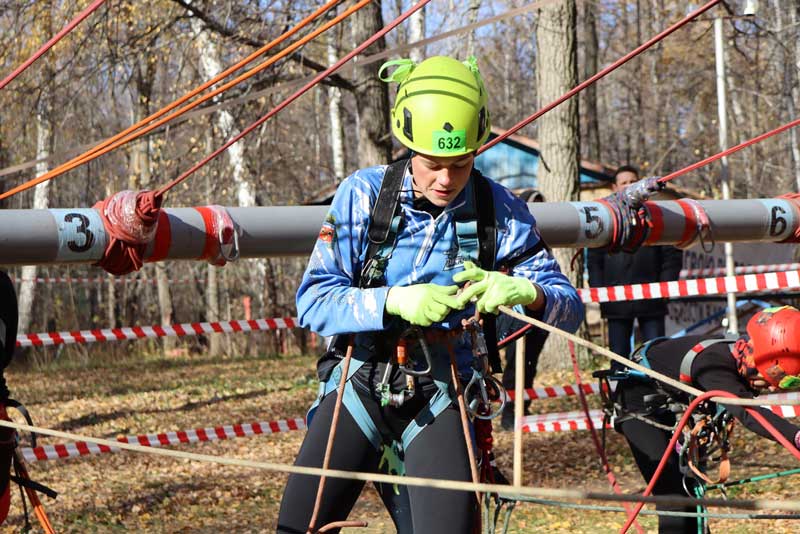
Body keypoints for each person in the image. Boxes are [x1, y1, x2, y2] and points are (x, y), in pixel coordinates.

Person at [277, 56, 583, 534]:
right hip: (360, 382)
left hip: (443, 390)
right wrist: (392, 301)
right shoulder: (364, 196)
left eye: (460, 163)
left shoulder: (499, 211)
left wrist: (528, 291)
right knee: (299, 528)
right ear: (408, 147)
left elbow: (569, 307)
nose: (445, 178)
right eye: (432, 164)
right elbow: (314, 301)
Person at [610, 305, 800, 533]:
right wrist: (796, 437)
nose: (771, 386)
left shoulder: (738, 356)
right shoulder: (714, 366)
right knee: (673, 498)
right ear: (757, 360)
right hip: (636, 407)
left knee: (691, 493)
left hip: (670, 405)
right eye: (776, 379)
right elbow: (750, 414)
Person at [587, 165, 683, 361]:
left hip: (652, 300)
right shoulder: (604, 217)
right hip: (615, 301)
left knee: (657, 354)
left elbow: (671, 256)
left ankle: (660, 391)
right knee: (619, 356)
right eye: (624, 183)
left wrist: (664, 289)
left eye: (633, 182)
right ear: (615, 187)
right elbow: (594, 259)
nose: (629, 186)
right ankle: (620, 391)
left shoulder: (656, 214)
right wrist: (599, 291)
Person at [496, 189, 549, 430]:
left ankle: (518, 412)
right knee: (504, 364)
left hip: (533, 315)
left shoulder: (540, 242)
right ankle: (500, 412)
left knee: (526, 365)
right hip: (503, 314)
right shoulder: (504, 233)